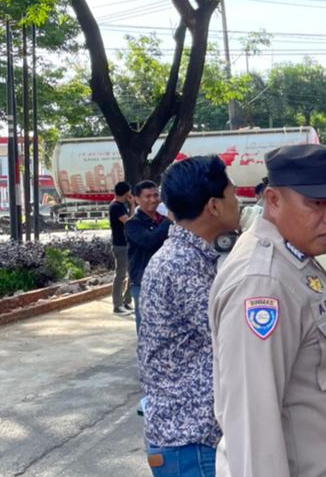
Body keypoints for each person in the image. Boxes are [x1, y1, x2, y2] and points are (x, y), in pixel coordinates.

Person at [209, 144, 326, 477]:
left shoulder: (295, 258)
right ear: (273, 200)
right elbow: (254, 434)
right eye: (316, 203)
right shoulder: (262, 283)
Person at [138, 156, 240, 477]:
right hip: (190, 442)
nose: (239, 203)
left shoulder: (196, 256)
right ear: (213, 206)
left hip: (192, 440)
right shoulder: (183, 264)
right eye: (232, 195)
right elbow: (233, 338)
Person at [125, 180, 173, 332]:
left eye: (155, 195)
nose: (153, 200)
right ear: (137, 199)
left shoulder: (164, 220)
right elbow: (150, 241)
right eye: (147, 196)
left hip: (166, 281)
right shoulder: (133, 224)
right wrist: (170, 221)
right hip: (142, 282)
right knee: (146, 328)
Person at [108, 182, 134, 314]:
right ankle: (117, 305)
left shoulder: (121, 206)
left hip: (126, 244)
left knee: (131, 274)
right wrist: (132, 205)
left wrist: (131, 205)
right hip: (120, 245)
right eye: (129, 192)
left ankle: (126, 301)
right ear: (125, 193)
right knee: (120, 274)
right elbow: (130, 222)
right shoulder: (115, 207)